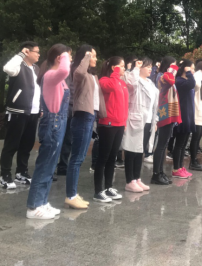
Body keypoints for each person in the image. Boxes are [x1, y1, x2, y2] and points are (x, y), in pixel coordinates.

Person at [26, 44, 71, 219]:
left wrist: (64, 56)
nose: (70, 59)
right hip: (53, 123)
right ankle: (33, 207)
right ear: (59, 58)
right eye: (68, 56)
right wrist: (64, 55)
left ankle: (42, 202)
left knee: (50, 166)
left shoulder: (56, 78)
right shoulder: (51, 75)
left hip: (58, 123)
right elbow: (65, 70)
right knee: (45, 165)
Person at [0, 41, 42, 190]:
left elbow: (38, 90)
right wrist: (21, 54)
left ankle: (21, 173)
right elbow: (7, 68)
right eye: (36, 52)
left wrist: (40, 107)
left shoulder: (36, 69)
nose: (39, 54)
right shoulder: (18, 66)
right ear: (27, 52)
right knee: (12, 145)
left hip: (33, 113)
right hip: (17, 112)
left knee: (27, 145)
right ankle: (5, 175)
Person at [65, 45, 103, 209]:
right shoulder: (79, 73)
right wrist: (87, 55)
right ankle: (71, 195)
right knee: (77, 158)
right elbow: (79, 72)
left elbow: (98, 99)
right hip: (82, 117)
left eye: (94, 56)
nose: (95, 59)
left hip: (90, 117)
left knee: (79, 158)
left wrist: (103, 116)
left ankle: (73, 193)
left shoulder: (92, 76)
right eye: (92, 56)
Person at [93, 57, 129, 203]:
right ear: (114, 68)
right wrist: (115, 73)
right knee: (103, 157)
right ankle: (98, 191)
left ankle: (108, 187)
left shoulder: (122, 83)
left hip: (119, 124)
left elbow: (125, 103)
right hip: (107, 123)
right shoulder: (104, 80)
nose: (124, 68)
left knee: (112, 157)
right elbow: (110, 87)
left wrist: (124, 122)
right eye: (121, 66)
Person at [122, 58, 158, 192]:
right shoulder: (134, 79)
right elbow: (131, 84)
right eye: (147, 66)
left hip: (148, 121)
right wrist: (136, 68)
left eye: (151, 67)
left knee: (140, 151)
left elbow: (155, 104)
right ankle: (129, 180)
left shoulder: (150, 83)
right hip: (135, 119)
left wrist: (155, 120)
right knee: (131, 151)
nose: (150, 69)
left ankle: (137, 178)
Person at [151, 56, 180, 185]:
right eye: (173, 65)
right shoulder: (162, 76)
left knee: (164, 145)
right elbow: (170, 81)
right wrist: (172, 70)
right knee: (161, 145)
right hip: (164, 112)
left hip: (169, 112)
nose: (175, 68)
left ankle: (160, 172)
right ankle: (156, 174)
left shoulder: (167, 75)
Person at [173, 60, 196, 178]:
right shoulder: (180, 81)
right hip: (182, 116)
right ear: (185, 69)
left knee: (183, 144)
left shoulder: (185, 81)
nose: (193, 71)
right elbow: (192, 83)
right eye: (191, 68)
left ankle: (181, 167)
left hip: (188, 116)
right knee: (179, 144)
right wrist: (188, 72)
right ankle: (176, 168)